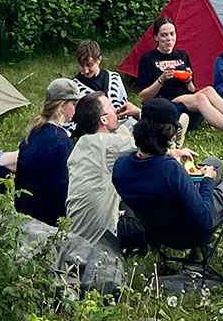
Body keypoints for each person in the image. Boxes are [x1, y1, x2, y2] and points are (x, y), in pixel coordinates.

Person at [112, 100, 223, 252]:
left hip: (159, 233)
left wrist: (172, 153)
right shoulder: (170, 170)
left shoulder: (121, 167)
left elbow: (150, 168)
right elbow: (204, 218)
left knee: (213, 163)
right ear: (169, 134)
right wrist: (208, 180)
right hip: (191, 234)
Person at [67, 92, 194, 250]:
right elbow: (151, 135)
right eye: (111, 108)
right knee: (149, 215)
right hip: (102, 239)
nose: (115, 110)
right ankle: (173, 143)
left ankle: (172, 146)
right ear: (103, 119)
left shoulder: (79, 146)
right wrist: (138, 114)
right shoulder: (109, 144)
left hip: (76, 235)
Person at [135, 14, 223, 141]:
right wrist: (161, 79)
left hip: (185, 97)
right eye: (164, 35)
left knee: (209, 89)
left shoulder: (182, 55)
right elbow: (143, 98)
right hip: (165, 100)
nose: (169, 38)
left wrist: (187, 81)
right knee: (200, 98)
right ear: (156, 37)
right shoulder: (148, 59)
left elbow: (192, 88)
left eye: (172, 34)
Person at [15, 77, 81, 224]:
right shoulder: (61, 142)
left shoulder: (33, 132)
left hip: (24, 213)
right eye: (74, 104)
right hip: (49, 220)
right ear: (63, 105)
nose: (75, 110)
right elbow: (62, 187)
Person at [70, 40, 139, 120]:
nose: (86, 70)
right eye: (82, 66)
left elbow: (124, 102)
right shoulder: (74, 86)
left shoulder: (114, 77)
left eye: (89, 65)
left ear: (99, 59)